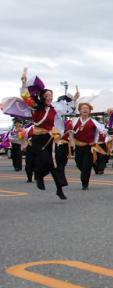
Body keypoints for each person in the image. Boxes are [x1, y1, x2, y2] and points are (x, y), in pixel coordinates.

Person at [18, 70, 77, 200]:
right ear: (42, 96)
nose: (50, 97)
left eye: (51, 95)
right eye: (48, 95)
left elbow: (71, 110)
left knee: (56, 164)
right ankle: (39, 175)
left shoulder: (55, 109)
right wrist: (23, 83)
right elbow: (25, 97)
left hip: (50, 138)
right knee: (46, 161)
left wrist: (74, 100)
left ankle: (59, 189)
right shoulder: (35, 107)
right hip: (38, 139)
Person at [70, 102, 107, 190]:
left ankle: (85, 183)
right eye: (83, 108)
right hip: (78, 146)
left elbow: (103, 130)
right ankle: (85, 174)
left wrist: (104, 132)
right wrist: (72, 144)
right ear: (79, 110)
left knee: (87, 166)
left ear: (90, 110)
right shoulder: (74, 121)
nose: (85, 109)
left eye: (87, 108)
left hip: (89, 147)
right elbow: (70, 132)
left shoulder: (94, 122)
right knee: (79, 163)